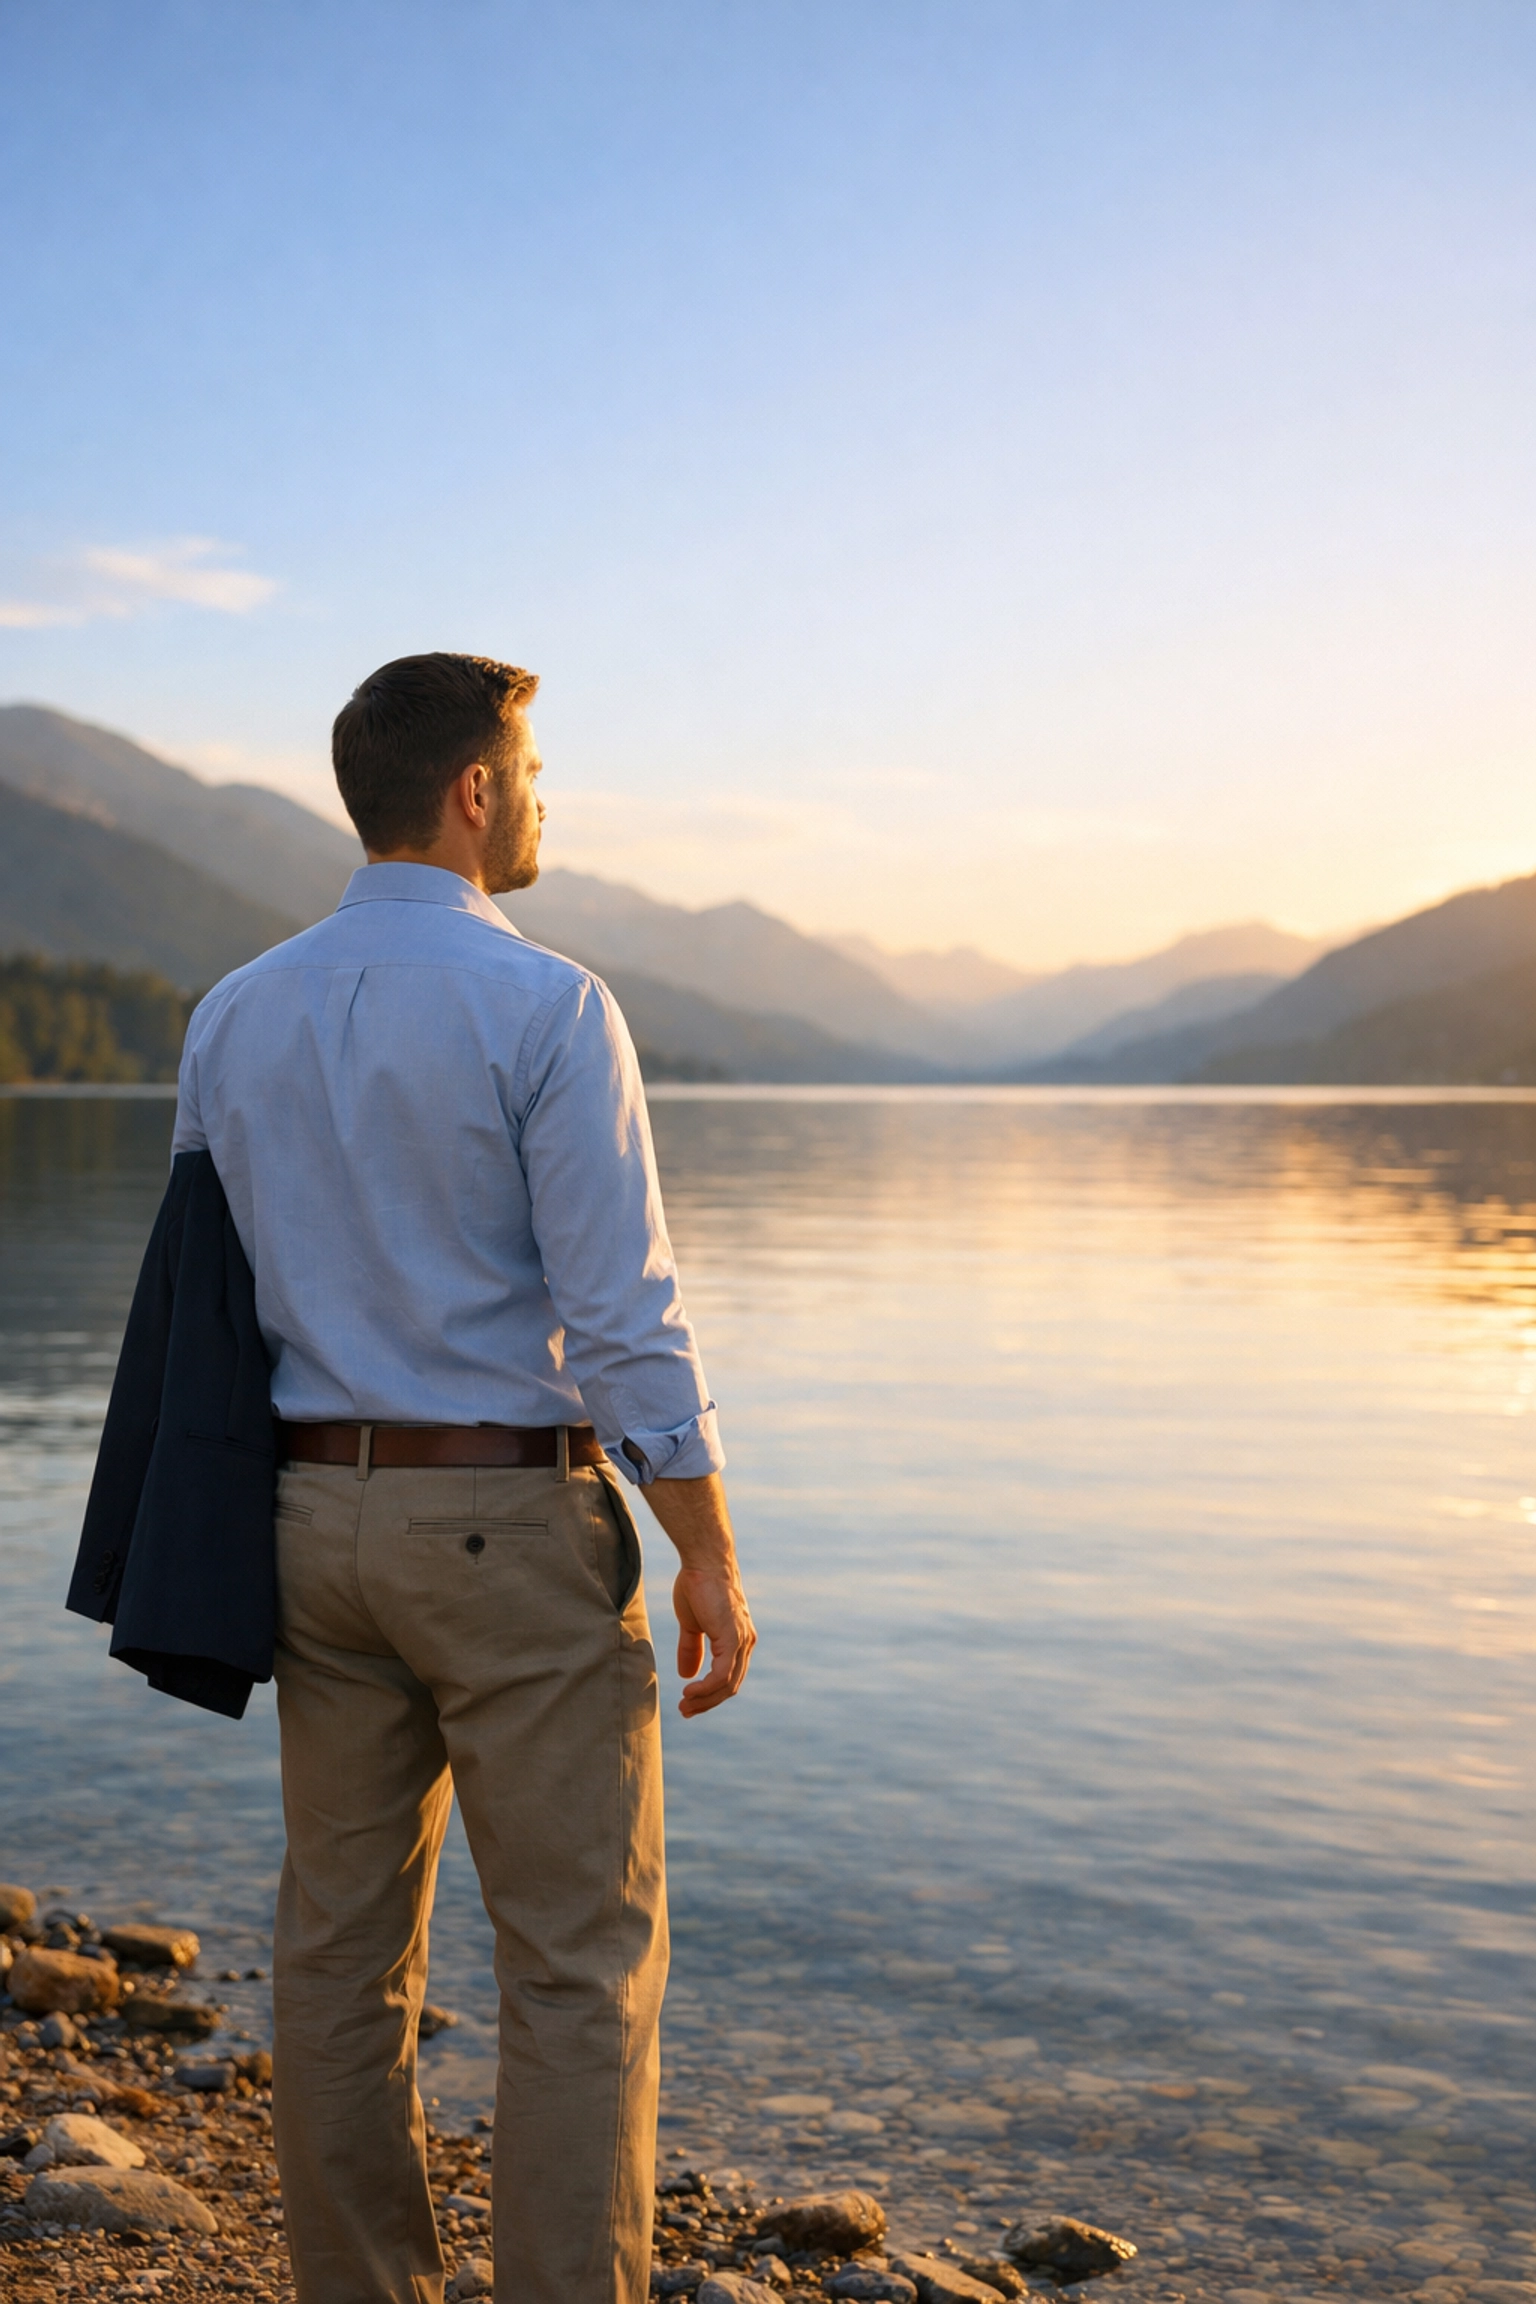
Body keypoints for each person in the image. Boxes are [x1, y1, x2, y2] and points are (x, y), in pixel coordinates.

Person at [171, 652, 757, 2304]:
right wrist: (706, 1545)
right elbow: (624, 1316)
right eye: (537, 772)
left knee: (337, 1956)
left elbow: (203, 1303)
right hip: (506, 1525)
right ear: (475, 791)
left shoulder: (233, 1012)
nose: (546, 799)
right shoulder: (549, 1006)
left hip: (308, 1521)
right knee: (578, 1967)